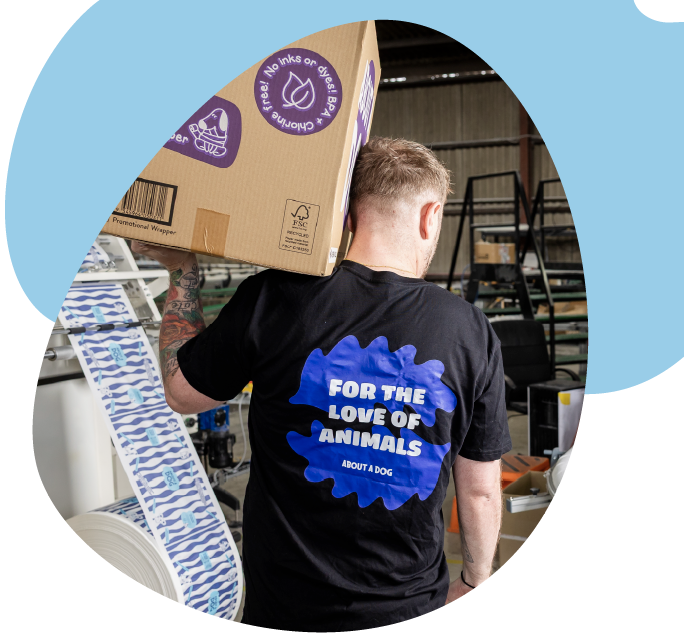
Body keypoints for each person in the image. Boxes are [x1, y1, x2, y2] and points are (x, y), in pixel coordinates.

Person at [131, 136, 511, 631]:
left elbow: (181, 391)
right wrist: (477, 581)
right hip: (406, 606)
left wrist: (182, 271)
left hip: (285, 605)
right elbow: (479, 491)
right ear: (430, 216)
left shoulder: (274, 295)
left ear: (350, 215)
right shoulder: (469, 330)